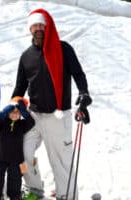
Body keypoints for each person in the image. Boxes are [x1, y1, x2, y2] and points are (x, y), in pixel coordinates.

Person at [11, 8, 92, 200]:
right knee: (23, 151)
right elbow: (20, 86)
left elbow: (79, 74)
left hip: (58, 115)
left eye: (41, 25)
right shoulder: (26, 56)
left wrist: (84, 93)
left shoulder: (63, 49)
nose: (38, 28)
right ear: (30, 29)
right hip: (34, 115)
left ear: (47, 27)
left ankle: (67, 196)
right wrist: (13, 106)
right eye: (34, 25)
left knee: (61, 161)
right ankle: (34, 188)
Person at [0, 97, 35, 200]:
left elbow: (31, 122)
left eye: (17, 112)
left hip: (16, 158)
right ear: (8, 112)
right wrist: (2, 113)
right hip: (0, 157)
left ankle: (14, 196)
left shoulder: (22, 125)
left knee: (15, 180)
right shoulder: (3, 122)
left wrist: (25, 112)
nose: (14, 114)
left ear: (21, 114)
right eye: (12, 111)